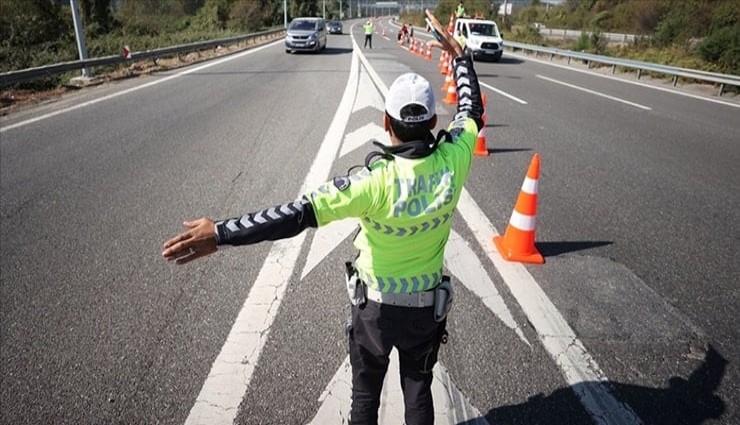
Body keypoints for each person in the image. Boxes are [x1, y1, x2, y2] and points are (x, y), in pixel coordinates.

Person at [161, 9, 483, 425]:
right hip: (425, 310)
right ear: (433, 122)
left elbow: (292, 216)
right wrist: (460, 58)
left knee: (365, 398)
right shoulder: (455, 159)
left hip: (375, 313)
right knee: (418, 393)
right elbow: (472, 110)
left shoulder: (371, 183)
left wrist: (220, 233)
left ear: (386, 123)